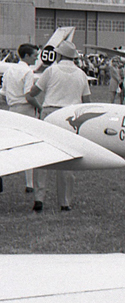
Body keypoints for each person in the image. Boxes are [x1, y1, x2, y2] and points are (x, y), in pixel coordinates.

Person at [26, 41, 91, 212]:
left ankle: (39, 197)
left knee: (42, 156)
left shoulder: (51, 70)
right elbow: (88, 102)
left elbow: (33, 92)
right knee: (68, 160)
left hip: (50, 113)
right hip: (71, 115)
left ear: (60, 55)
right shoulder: (81, 74)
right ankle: (65, 201)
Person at [3, 43, 43, 203]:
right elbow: (28, 96)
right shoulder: (27, 72)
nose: (36, 58)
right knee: (29, 146)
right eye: (34, 55)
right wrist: (40, 107)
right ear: (27, 56)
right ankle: (29, 183)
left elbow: (4, 92)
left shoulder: (9, 70)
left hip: (12, 109)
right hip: (25, 109)